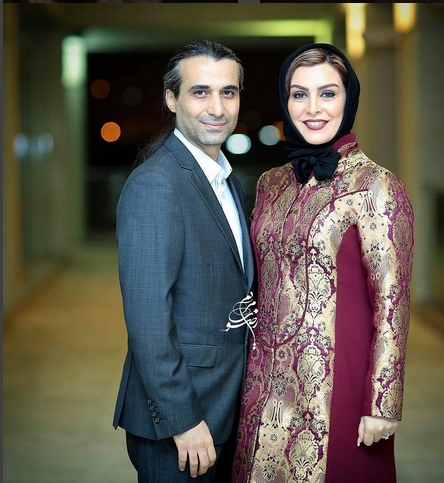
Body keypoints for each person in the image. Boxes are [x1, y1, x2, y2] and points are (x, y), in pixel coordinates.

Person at [231, 43, 414, 483]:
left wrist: (383, 403)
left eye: (328, 93)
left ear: (349, 99)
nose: (313, 108)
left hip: (340, 385)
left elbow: (393, 301)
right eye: (300, 94)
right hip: (264, 386)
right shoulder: (272, 183)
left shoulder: (376, 185)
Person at [113, 40, 255, 483]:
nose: (217, 107)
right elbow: (148, 319)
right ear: (172, 99)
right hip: (182, 424)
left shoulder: (225, 179)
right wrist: (184, 420)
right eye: (200, 92)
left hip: (225, 406)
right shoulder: (156, 184)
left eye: (228, 92)